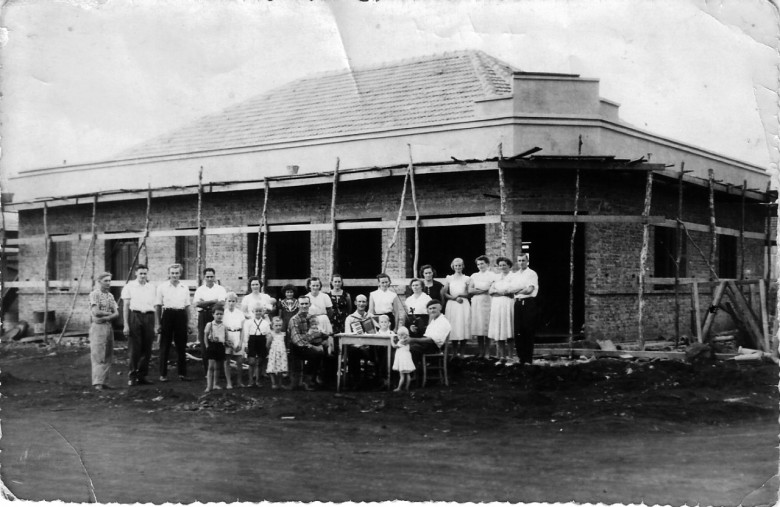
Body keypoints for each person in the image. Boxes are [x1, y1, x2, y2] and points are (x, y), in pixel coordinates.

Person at [155, 263, 193, 382]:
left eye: (177, 273)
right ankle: (163, 374)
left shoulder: (184, 287)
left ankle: (182, 374)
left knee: (181, 346)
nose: (174, 275)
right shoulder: (162, 287)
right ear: (169, 273)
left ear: (180, 274)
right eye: (172, 273)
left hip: (181, 315)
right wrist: (158, 323)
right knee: (165, 345)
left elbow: (187, 307)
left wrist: (188, 323)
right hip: (167, 315)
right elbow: (158, 306)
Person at [121, 264, 156, 386]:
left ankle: (142, 375)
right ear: (136, 273)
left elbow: (155, 305)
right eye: (140, 273)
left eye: (145, 273)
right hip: (135, 316)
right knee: (134, 348)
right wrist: (126, 324)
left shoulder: (151, 287)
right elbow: (125, 306)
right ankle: (132, 376)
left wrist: (155, 324)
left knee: (147, 348)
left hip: (149, 316)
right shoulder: (129, 286)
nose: (143, 276)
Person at [192, 267, 227, 375]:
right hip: (203, 316)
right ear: (204, 277)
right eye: (207, 276)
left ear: (214, 277)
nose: (210, 278)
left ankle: (219, 372)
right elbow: (197, 304)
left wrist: (205, 303)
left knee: (218, 341)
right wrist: (213, 301)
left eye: (212, 276)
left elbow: (221, 303)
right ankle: (208, 371)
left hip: (217, 317)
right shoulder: (200, 289)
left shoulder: (220, 289)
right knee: (204, 342)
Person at [288, 296, 327, 390]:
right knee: (316, 353)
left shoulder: (312, 317)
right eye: (302, 304)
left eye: (306, 303)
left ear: (309, 304)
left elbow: (316, 333)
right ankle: (306, 382)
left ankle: (315, 378)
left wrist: (324, 339)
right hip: (297, 348)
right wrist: (314, 347)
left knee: (327, 351)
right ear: (298, 305)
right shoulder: (294, 320)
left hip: (309, 344)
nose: (304, 306)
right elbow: (297, 340)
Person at [89, 272, 119, 390]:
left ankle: (105, 381)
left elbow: (117, 313)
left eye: (109, 280)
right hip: (98, 327)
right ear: (99, 281)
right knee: (98, 353)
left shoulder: (110, 296)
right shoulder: (94, 294)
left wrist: (106, 317)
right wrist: (109, 313)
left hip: (107, 326)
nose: (108, 283)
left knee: (108, 354)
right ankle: (97, 382)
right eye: (105, 280)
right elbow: (96, 312)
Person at [512, 252, 539, 366]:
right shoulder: (515, 274)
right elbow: (511, 289)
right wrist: (519, 290)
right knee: (518, 331)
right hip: (517, 303)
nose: (521, 263)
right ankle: (521, 358)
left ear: (527, 261)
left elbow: (529, 290)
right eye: (519, 261)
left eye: (523, 260)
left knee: (528, 330)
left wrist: (518, 291)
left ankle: (528, 359)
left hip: (528, 303)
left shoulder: (531, 273)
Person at [488, 257, 515, 365]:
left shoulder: (513, 276)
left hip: (508, 305)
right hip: (497, 306)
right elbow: (491, 291)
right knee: (499, 332)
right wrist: (502, 292)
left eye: (504, 265)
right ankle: (502, 357)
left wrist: (500, 292)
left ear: (509, 265)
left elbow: (512, 291)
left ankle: (510, 357)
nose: (502, 267)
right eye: (500, 265)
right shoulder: (497, 277)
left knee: (508, 331)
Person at [468, 255, 496, 359]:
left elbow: (491, 289)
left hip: (488, 302)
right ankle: (481, 351)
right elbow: (470, 290)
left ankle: (488, 352)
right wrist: (484, 289)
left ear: (487, 264)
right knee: (479, 328)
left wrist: (478, 290)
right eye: (478, 264)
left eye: (482, 263)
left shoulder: (492, 275)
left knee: (486, 327)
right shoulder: (474, 275)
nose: (480, 266)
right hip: (477, 303)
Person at [407, 300, 452, 364]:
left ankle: (414, 372)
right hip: (427, 345)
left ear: (440, 308)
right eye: (430, 309)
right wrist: (414, 331)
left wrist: (413, 339)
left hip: (433, 348)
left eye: (434, 308)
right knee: (404, 346)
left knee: (411, 348)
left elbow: (431, 340)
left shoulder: (443, 322)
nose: (432, 310)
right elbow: (427, 335)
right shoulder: (434, 320)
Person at [442, 257, 471, 357]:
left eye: (459, 265)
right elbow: (445, 293)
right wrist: (455, 298)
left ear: (463, 266)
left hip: (463, 304)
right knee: (454, 327)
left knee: (463, 326)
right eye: (456, 265)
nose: (458, 267)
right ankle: (454, 353)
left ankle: (462, 353)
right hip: (452, 304)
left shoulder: (467, 278)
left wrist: (460, 296)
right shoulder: (449, 278)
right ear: (453, 266)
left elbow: (468, 293)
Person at [223, 292, 247, 388]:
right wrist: (226, 340)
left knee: (240, 361)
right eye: (229, 301)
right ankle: (229, 382)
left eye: (233, 301)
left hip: (237, 335)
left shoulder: (240, 313)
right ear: (226, 301)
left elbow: (242, 330)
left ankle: (239, 381)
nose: (231, 303)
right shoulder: (224, 313)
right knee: (227, 361)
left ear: (236, 302)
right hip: (227, 336)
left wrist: (241, 342)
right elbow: (222, 328)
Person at [244, 303, 270, 387]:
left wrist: (267, 345)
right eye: (256, 311)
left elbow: (268, 334)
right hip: (252, 340)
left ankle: (258, 381)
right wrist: (246, 345)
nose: (258, 313)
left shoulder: (265, 322)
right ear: (253, 311)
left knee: (259, 362)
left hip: (262, 340)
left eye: (260, 311)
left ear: (262, 312)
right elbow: (246, 334)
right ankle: (251, 381)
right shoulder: (248, 322)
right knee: (251, 362)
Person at [203, 303, 227, 393]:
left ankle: (215, 384)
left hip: (220, 346)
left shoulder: (224, 326)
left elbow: (226, 337)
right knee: (211, 367)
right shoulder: (210, 324)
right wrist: (207, 346)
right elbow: (205, 335)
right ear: (213, 314)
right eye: (217, 314)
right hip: (212, 346)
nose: (219, 316)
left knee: (217, 367)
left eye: (221, 314)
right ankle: (209, 386)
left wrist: (226, 342)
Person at [266, 316, 288, 389]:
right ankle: (273, 383)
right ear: (272, 326)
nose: (278, 327)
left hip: (282, 354)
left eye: (280, 325)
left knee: (281, 368)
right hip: (273, 354)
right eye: (276, 325)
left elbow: (284, 343)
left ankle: (280, 383)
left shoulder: (283, 334)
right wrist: (271, 351)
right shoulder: (271, 334)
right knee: (272, 368)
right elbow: (268, 344)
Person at [391, 326, 415, 392]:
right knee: (407, 374)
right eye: (399, 335)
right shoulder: (407, 341)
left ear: (405, 335)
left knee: (402, 375)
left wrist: (391, 339)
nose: (400, 336)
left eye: (401, 335)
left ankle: (399, 387)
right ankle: (407, 387)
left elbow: (394, 346)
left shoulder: (401, 341)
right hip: (407, 359)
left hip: (402, 360)